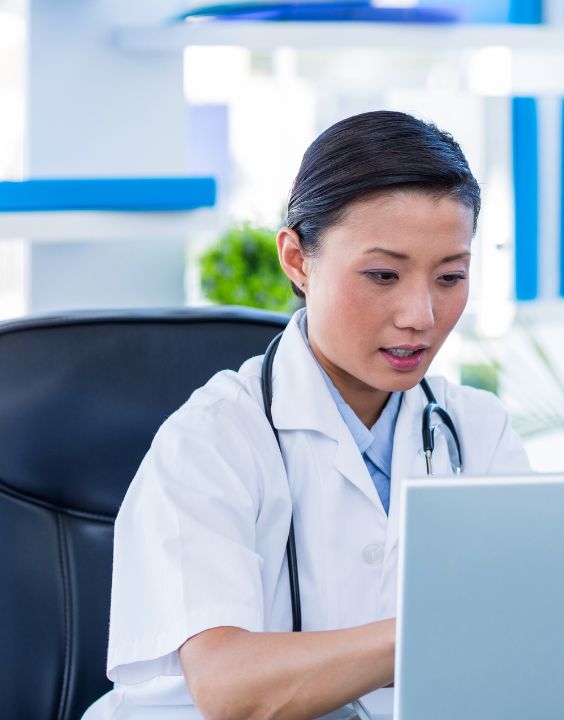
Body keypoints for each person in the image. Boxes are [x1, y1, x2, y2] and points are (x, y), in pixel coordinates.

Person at [87, 111, 530, 720]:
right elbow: (230, 689)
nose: (420, 315)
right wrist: (446, 623)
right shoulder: (213, 438)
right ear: (297, 259)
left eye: (451, 276)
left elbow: (526, 643)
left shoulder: (478, 433)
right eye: (382, 275)